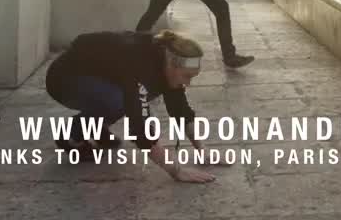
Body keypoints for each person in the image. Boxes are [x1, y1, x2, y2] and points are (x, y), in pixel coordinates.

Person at [46, 29, 216, 183]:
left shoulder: (165, 57)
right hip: (63, 80)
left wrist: (202, 149)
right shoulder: (140, 64)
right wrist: (176, 170)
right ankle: (71, 135)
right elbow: (138, 128)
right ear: (171, 64)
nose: (188, 83)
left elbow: (179, 107)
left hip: (98, 78)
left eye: (192, 77)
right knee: (125, 101)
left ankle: (96, 126)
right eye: (186, 76)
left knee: (132, 97)